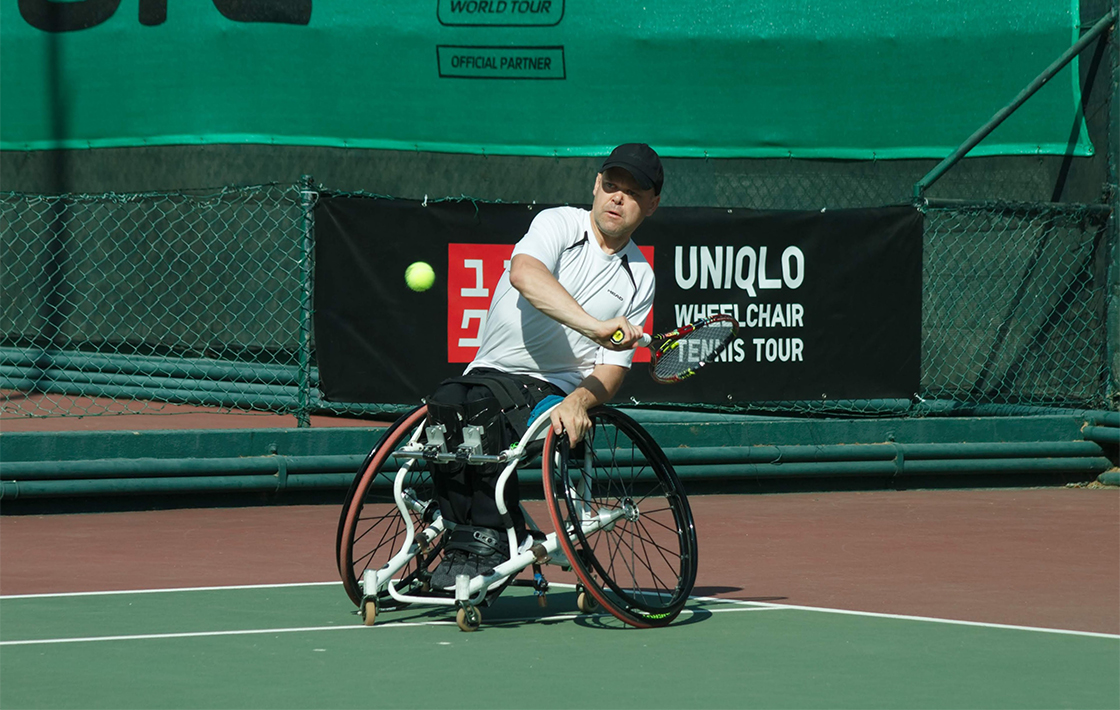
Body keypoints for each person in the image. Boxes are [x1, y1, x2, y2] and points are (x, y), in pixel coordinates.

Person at [426, 143, 663, 588]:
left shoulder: (640, 277)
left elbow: (610, 372)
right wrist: (593, 326)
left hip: (551, 389)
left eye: (632, 193)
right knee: (446, 400)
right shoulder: (558, 223)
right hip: (487, 371)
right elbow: (525, 275)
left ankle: (487, 539)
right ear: (596, 186)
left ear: (652, 205)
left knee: (479, 406)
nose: (617, 198)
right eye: (611, 186)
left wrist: (579, 400)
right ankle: (467, 536)